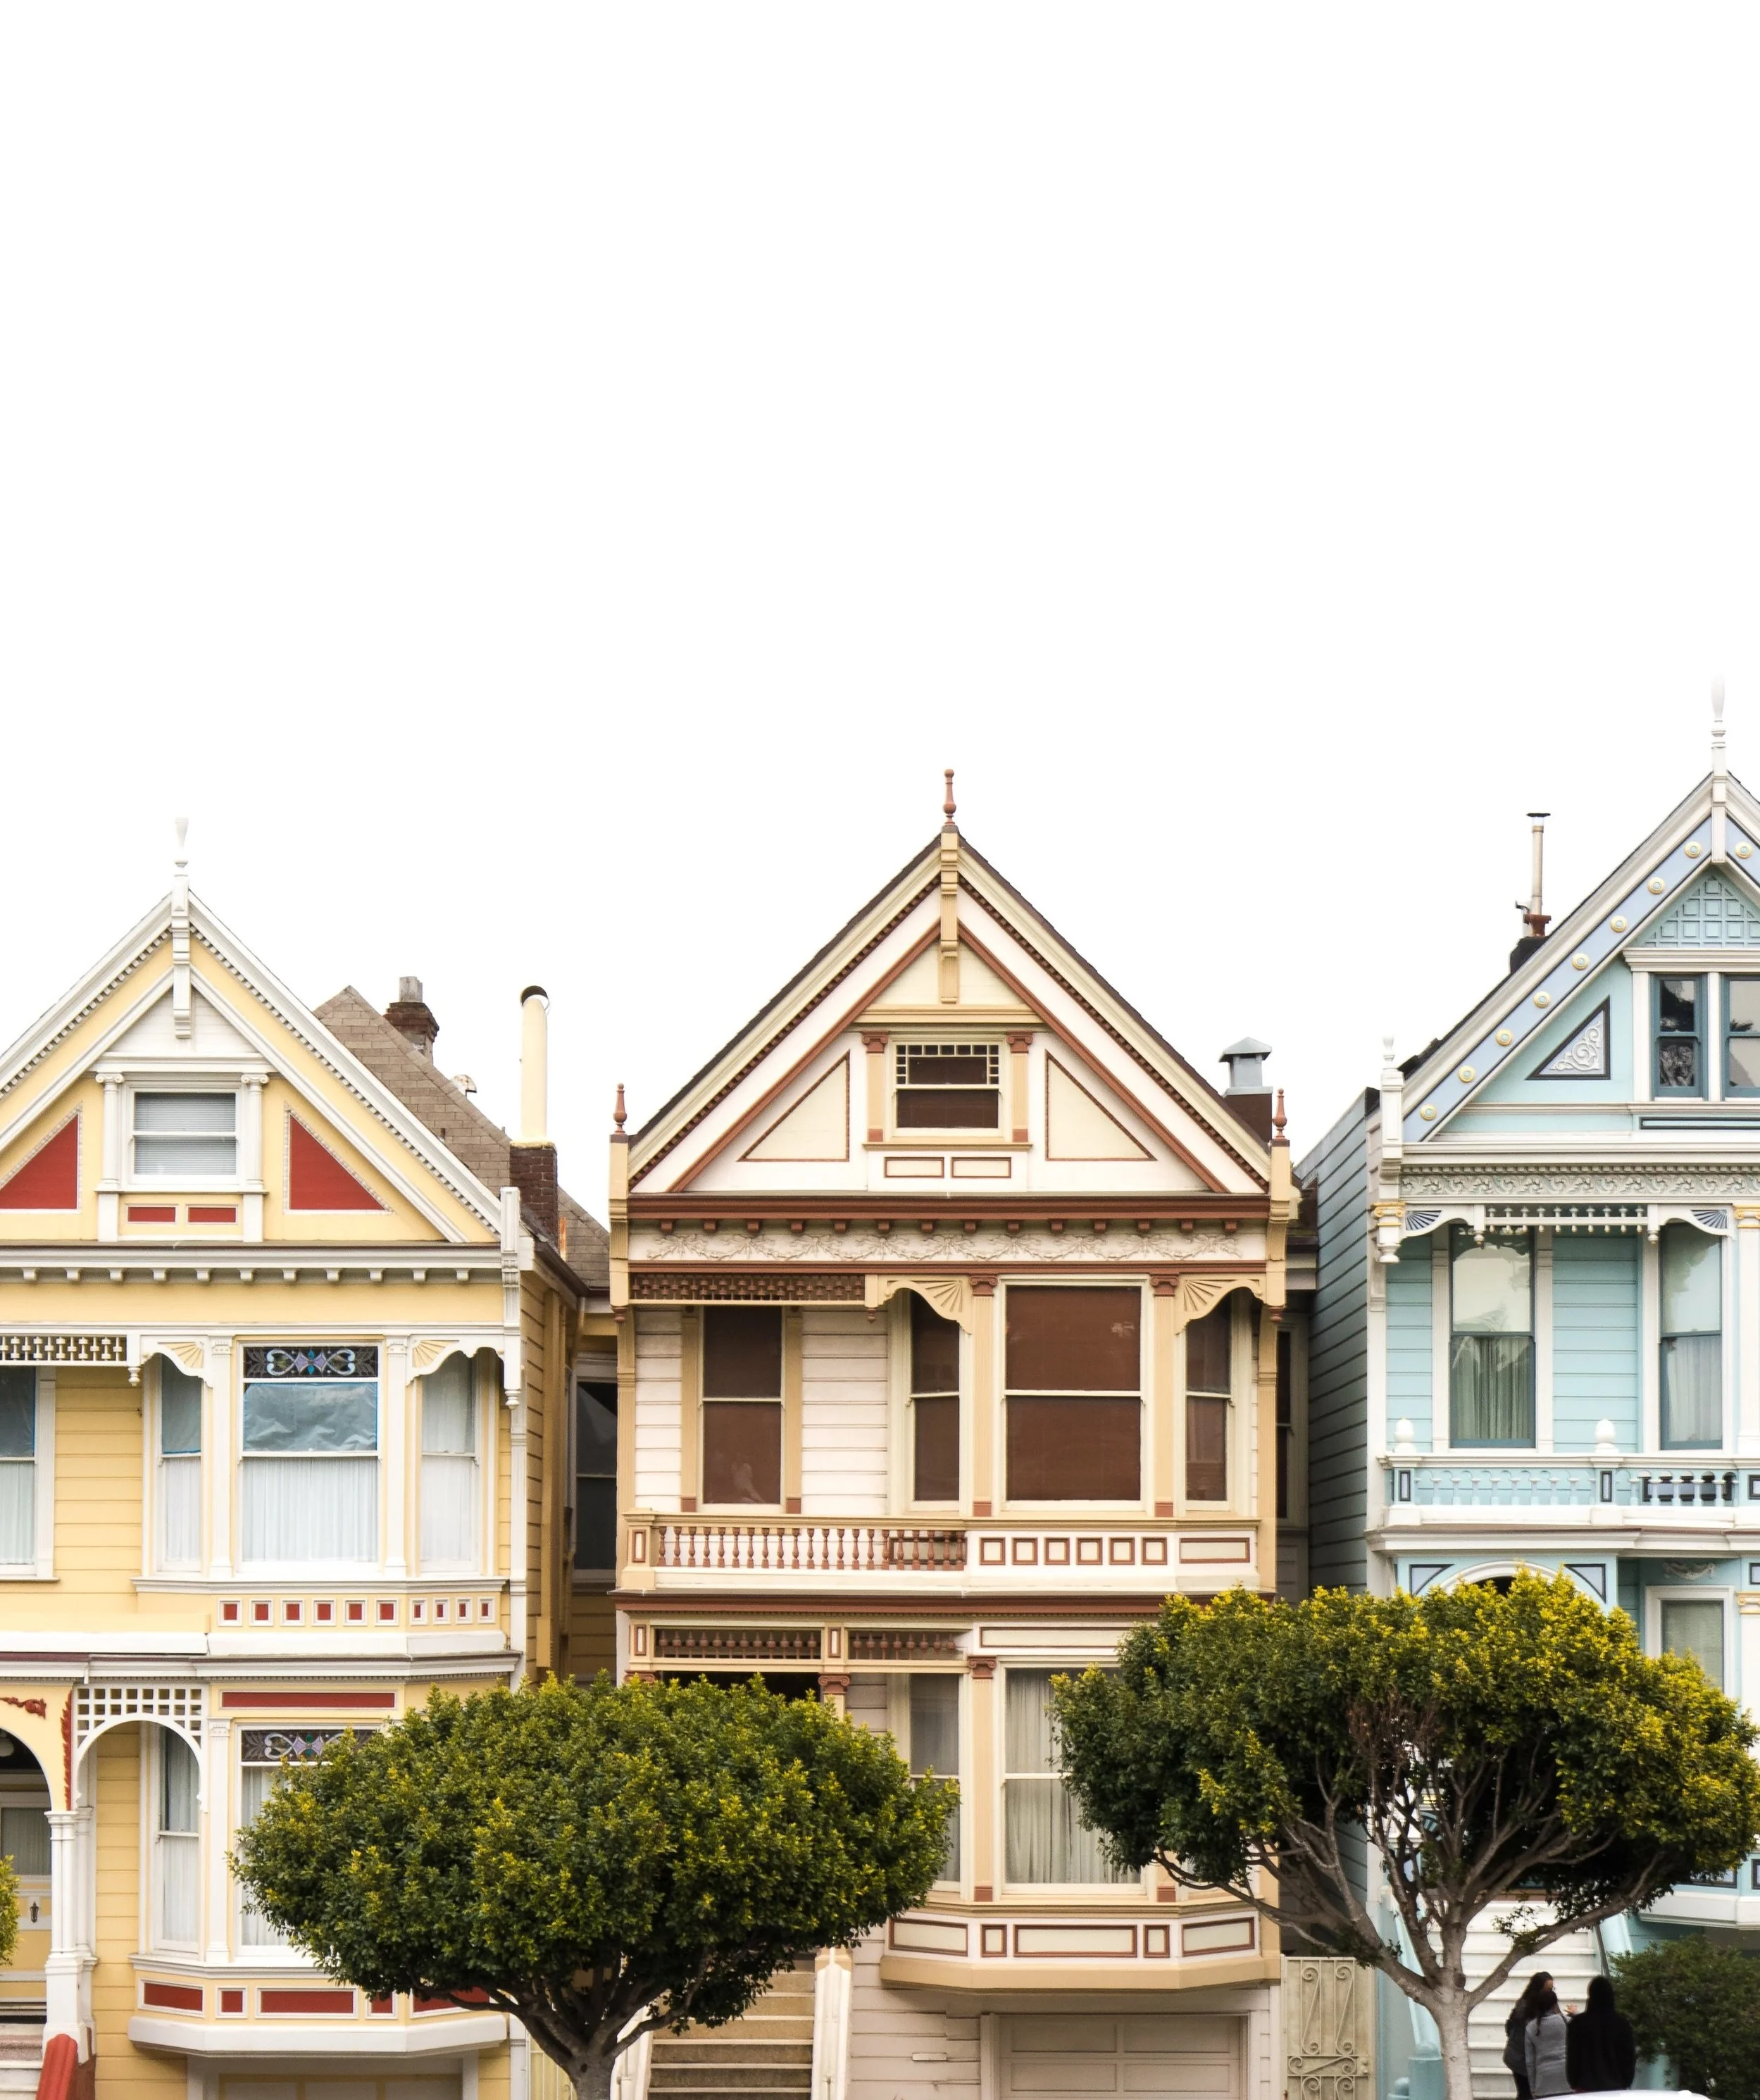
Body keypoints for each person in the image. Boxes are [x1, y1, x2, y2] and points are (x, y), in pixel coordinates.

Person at [1566, 1975, 1637, 2093]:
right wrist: (1626, 2082)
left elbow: (1573, 2058)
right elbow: (1628, 2058)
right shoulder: (1621, 2024)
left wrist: (1574, 2082)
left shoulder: (1577, 2024)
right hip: (1616, 2089)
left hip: (1585, 2088)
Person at [1502, 1973, 1554, 2100]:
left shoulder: (1541, 2005)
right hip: (1520, 2058)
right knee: (1526, 2093)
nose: (1550, 1992)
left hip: (1526, 2058)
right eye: (1547, 1989)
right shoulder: (1525, 2008)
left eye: (1552, 1989)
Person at [1523, 1986, 1570, 2099]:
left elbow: (1530, 2061)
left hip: (1544, 2082)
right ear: (1555, 2005)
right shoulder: (1566, 2021)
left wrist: (1533, 2088)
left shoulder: (1531, 2027)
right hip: (1567, 2078)